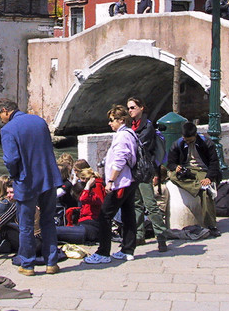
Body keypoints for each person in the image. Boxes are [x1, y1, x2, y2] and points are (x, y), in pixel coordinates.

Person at [0, 98, 63, 276]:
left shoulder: (7, 129)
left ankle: (28, 264)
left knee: (26, 225)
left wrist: (14, 174)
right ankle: (51, 263)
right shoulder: (39, 121)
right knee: (48, 220)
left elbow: (10, 159)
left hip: (26, 180)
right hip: (48, 177)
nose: (0, 119)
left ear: (4, 111)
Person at [84, 104, 139, 264]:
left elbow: (120, 159)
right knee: (128, 214)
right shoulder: (131, 134)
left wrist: (110, 181)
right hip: (130, 181)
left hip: (120, 183)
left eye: (112, 120)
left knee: (104, 216)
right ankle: (128, 250)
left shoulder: (122, 136)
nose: (110, 123)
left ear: (121, 120)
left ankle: (103, 252)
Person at [127, 96, 168, 252]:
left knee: (150, 204)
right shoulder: (130, 126)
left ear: (141, 108)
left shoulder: (147, 127)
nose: (130, 110)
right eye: (129, 108)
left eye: (133, 107)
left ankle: (161, 236)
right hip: (133, 170)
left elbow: (139, 145)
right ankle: (139, 235)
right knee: (136, 203)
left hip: (144, 170)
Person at [167, 122, 221, 238]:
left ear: (195, 136)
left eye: (190, 141)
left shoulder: (206, 143)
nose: (187, 142)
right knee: (172, 176)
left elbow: (214, 163)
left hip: (202, 170)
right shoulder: (177, 144)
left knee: (206, 193)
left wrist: (209, 177)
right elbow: (170, 162)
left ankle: (211, 225)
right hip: (187, 170)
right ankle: (198, 187)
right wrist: (175, 167)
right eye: (186, 140)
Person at [56, 166, 104, 244]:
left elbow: (83, 198)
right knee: (58, 231)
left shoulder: (95, 198)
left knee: (55, 231)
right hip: (83, 226)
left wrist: (88, 185)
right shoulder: (89, 200)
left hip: (90, 230)